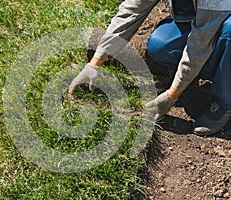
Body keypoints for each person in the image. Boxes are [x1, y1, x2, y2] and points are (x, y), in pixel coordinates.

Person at [69, 0, 231, 135]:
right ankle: (199, 73)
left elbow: (200, 44)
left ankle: (224, 101)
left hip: (222, 17)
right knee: (161, 45)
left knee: (228, 33)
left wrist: (172, 94)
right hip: (202, 15)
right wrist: (95, 63)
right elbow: (131, 11)